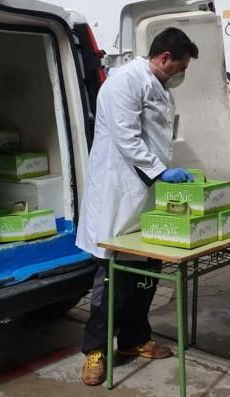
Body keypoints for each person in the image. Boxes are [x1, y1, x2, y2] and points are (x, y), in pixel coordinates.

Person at [75, 27, 199, 386]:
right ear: (164, 58)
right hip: (118, 196)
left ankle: (133, 339)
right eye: (180, 67)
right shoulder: (124, 82)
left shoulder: (154, 84)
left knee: (146, 275)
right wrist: (161, 172)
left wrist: (162, 175)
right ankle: (95, 351)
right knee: (111, 279)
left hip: (145, 195)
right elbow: (127, 137)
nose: (181, 74)